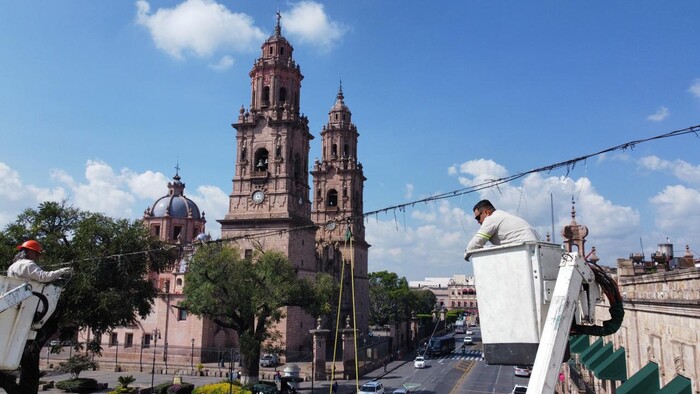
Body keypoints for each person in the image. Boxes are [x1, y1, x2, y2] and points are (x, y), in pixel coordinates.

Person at [464, 200, 539, 260]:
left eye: (478, 218)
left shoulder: (491, 219)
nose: (478, 222)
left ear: (487, 212)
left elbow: (476, 242)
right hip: (536, 250)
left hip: (525, 252)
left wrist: (467, 253)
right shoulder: (502, 215)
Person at [7, 240, 71, 282]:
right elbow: (43, 277)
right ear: (30, 252)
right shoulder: (28, 264)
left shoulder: (12, 266)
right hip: (25, 298)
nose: (37, 257)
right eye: (36, 254)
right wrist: (60, 271)